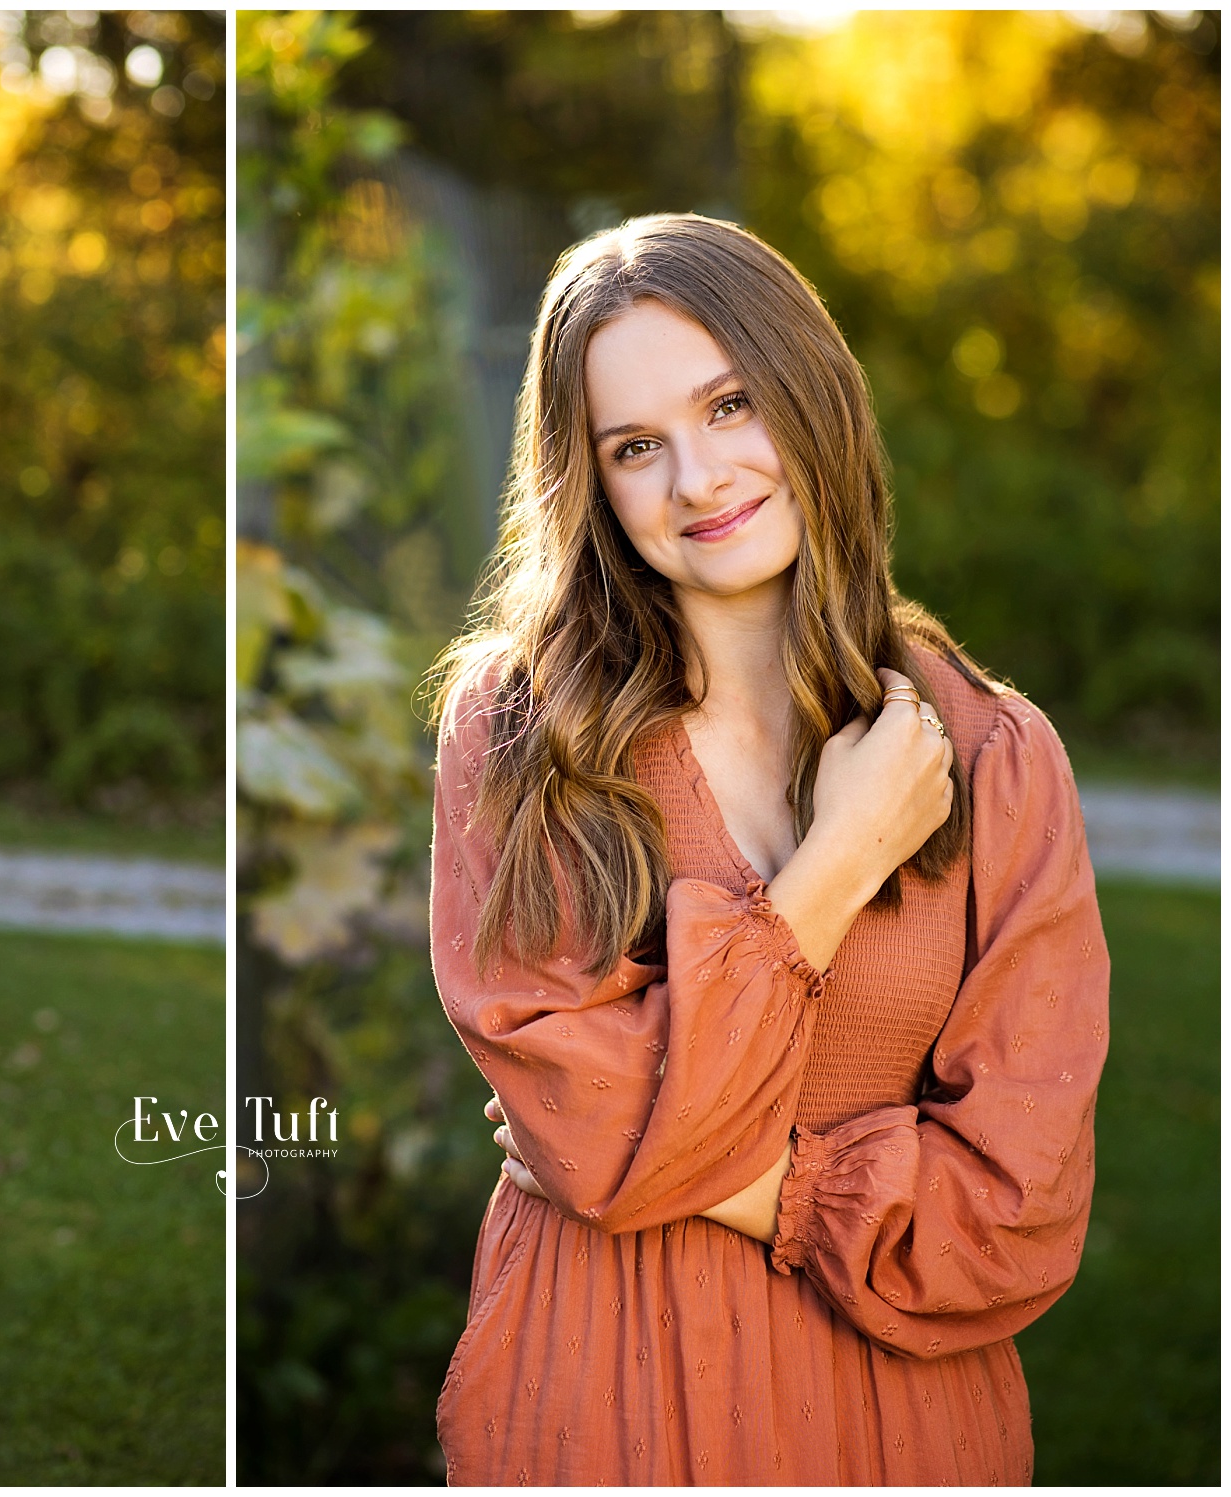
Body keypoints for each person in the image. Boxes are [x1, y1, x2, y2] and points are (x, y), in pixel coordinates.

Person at [428, 215, 1108, 1485]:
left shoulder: (994, 756)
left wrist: (676, 1163)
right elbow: (576, 1130)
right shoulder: (521, 735)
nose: (697, 480)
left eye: (729, 404)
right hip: (593, 1389)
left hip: (897, 1418)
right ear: (591, 484)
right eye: (635, 447)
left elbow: (1014, 1216)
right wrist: (836, 866)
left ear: (808, 392)